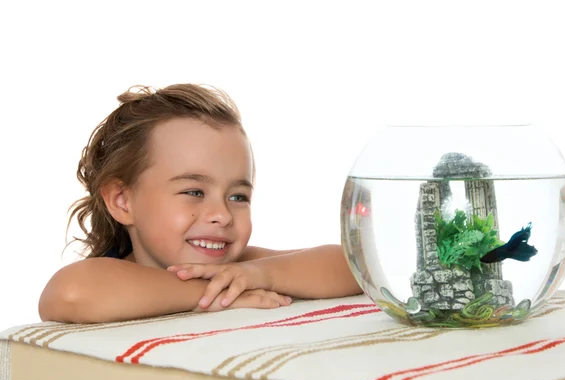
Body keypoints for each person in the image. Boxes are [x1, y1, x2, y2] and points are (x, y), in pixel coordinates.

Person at [38, 83, 362, 324]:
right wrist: (211, 295)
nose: (221, 215)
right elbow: (70, 293)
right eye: (194, 192)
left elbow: (351, 267)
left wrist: (260, 273)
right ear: (123, 201)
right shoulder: (110, 275)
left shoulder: (237, 270)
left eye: (238, 196)